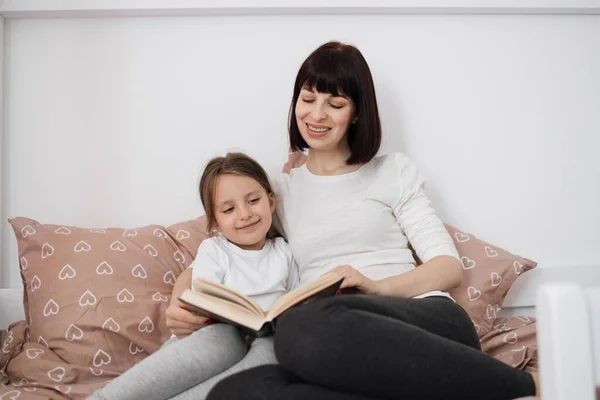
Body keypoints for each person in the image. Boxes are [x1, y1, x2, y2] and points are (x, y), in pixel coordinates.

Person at [205, 41, 540, 399]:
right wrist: (185, 295)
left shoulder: (392, 171)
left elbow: (447, 267)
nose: (316, 115)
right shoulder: (276, 191)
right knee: (235, 391)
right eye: (307, 99)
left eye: (334, 105)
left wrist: (375, 287)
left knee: (303, 326)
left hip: (423, 317)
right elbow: (223, 237)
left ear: (357, 114)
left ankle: (529, 388)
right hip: (336, 343)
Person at [89, 152, 298, 400]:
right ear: (216, 222)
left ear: (271, 202)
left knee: (271, 355)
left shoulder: (284, 252)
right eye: (229, 209)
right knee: (225, 339)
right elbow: (203, 299)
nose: (244, 214)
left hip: (264, 336)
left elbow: (296, 298)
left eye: (253, 201)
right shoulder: (214, 250)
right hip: (218, 334)